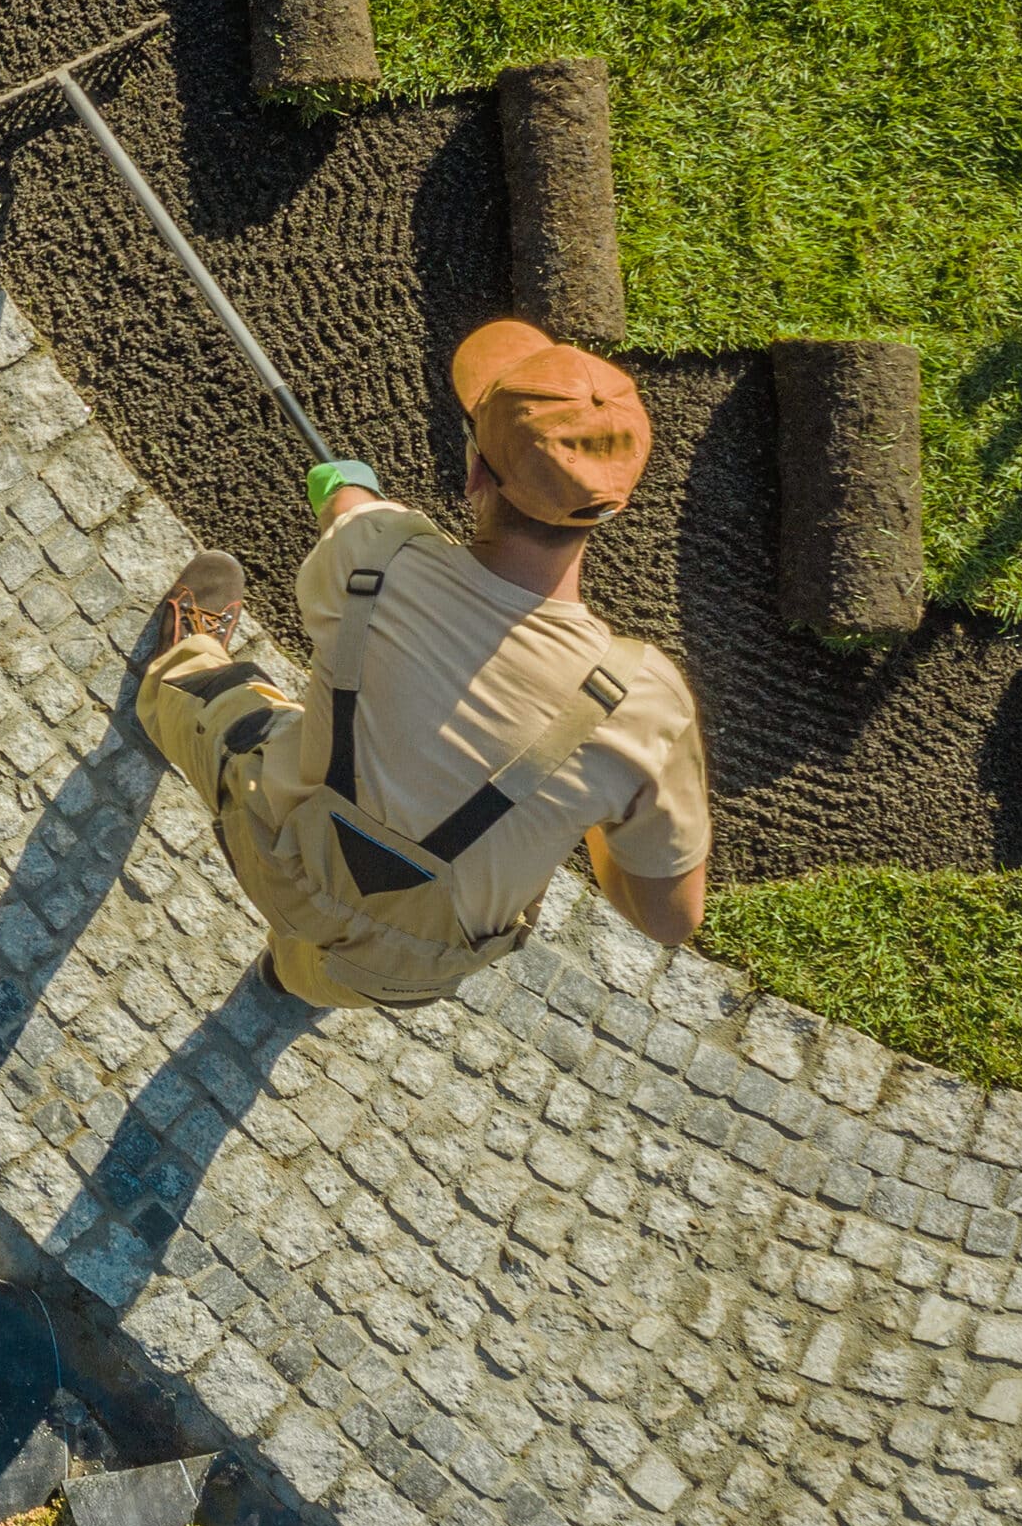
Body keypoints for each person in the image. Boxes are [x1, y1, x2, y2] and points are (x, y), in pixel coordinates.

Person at [136, 319, 710, 1012]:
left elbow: (352, 512)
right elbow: (669, 919)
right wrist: (589, 803)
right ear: (611, 506)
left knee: (208, 695)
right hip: (405, 965)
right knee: (334, 973)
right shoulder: (645, 708)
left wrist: (346, 490)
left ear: (474, 473)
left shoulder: (377, 555)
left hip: (275, 847)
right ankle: (289, 980)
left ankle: (178, 660)